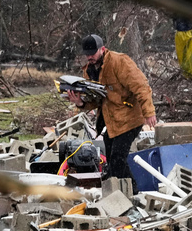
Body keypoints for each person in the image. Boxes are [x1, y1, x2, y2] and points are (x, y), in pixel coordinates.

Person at [65, 34, 156, 185]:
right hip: (112, 123)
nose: (89, 57)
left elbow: (141, 86)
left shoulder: (119, 61)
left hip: (130, 118)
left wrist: (149, 112)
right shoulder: (89, 70)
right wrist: (80, 103)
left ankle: (133, 193)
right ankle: (115, 190)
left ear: (102, 49)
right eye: (87, 54)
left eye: (92, 53)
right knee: (112, 164)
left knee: (118, 159)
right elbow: (94, 100)